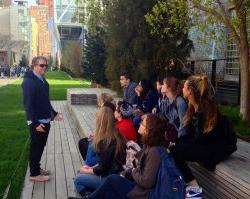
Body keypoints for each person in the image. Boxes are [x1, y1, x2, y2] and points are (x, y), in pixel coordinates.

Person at [87, 114, 184, 199]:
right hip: (138, 188)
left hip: (145, 195)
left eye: (142, 124)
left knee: (111, 179)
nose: (139, 124)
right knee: (108, 194)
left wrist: (132, 172)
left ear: (148, 130)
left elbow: (147, 182)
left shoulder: (154, 152)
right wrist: (125, 173)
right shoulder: (149, 146)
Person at [170, 75, 236, 198]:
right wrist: (177, 142)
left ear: (189, 91)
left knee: (176, 151)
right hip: (204, 144)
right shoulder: (192, 107)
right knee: (174, 147)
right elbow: (190, 135)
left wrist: (180, 145)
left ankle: (194, 189)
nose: (182, 88)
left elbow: (205, 139)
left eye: (184, 86)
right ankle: (186, 186)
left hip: (214, 148)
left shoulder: (206, 108)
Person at [22, 56, 63, 182]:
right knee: (36, 147)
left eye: (45, 65)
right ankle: (34, 174)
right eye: (41, 65)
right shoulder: (29, 82)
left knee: (41, 146)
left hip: (45, 120)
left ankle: (37, 168)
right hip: (37, 122)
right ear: (34, 66)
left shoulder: (41, 80)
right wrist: (34, 124)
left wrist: (54, 113)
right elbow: (28, 105)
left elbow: (45, 100)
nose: (44, 67)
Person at [73, 107, 126, 197]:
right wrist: (88, 169)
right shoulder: (116, 134)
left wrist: (87, 170)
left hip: (109, 178)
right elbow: (105, 163)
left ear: (101, 122)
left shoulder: (109, 141)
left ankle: (89, 195)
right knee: (80, 173)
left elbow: (102, 169)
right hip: (113, 174)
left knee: (77, 179)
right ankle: (91, 193)